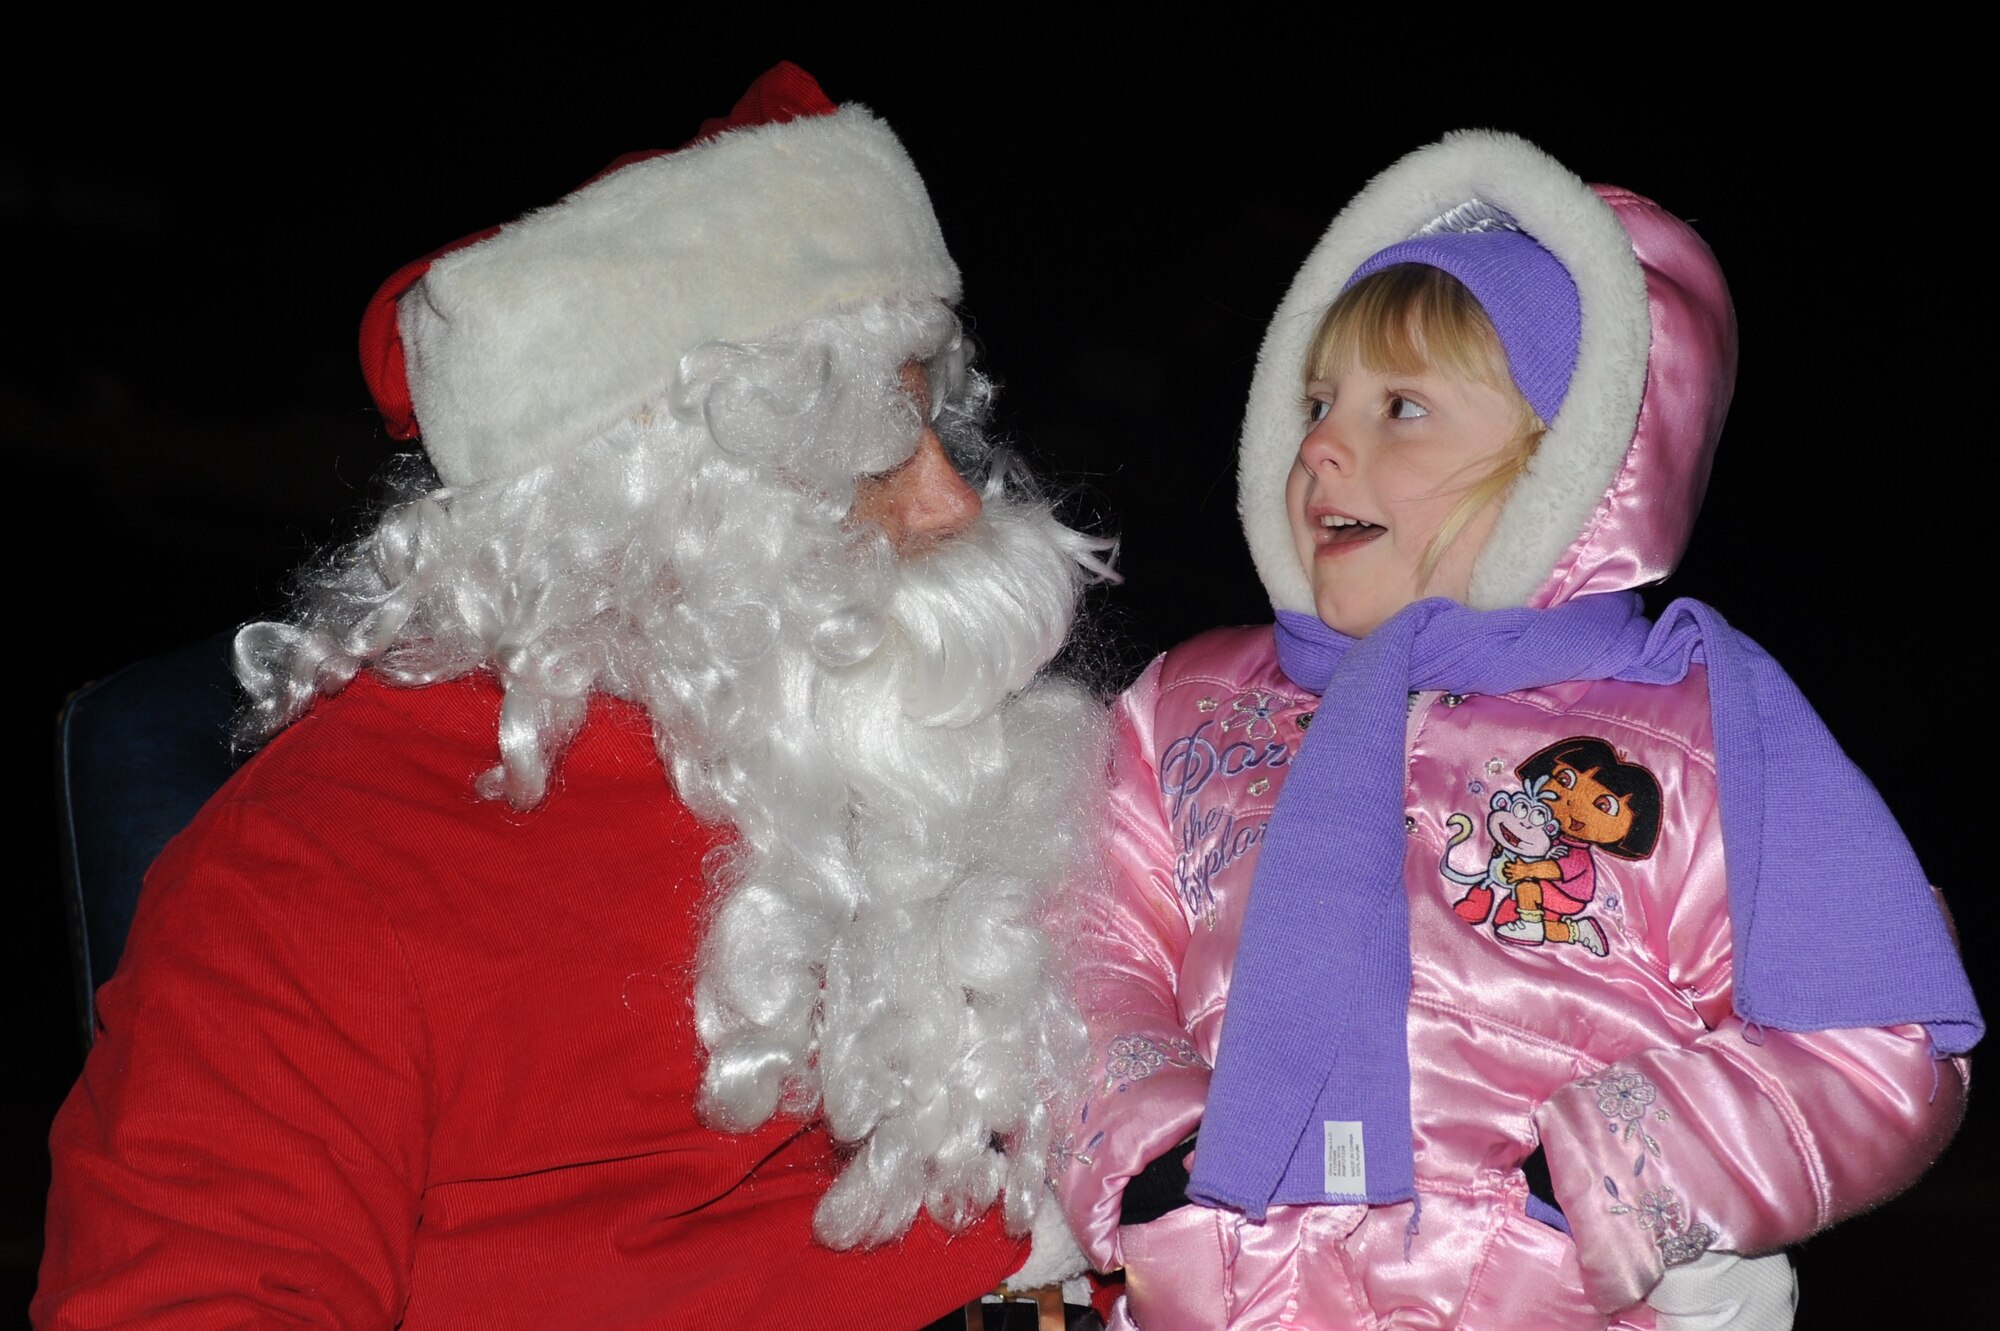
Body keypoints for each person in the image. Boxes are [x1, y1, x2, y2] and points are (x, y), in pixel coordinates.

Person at [36, 64, 1110, 1329]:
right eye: (880, 459)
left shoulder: (944, 737)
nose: (955, 506)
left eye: (939, 437)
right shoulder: (316, 877)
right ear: (651, 511)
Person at [1051, 130, 1981, 1329]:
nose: (1323, 444)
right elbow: (1074, 941)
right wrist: (1147, 1150)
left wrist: (1597, 1179)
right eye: (1318, 400)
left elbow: (1868, 1037)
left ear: (1569, 464)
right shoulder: (1189, 709)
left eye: (1402, 408)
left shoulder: (1688, 740)